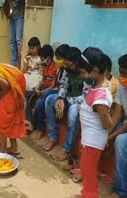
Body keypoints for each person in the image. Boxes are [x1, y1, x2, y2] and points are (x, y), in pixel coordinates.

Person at [70, 48, 114, 198]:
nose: (82, 76)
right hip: (90, 139)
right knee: (87, 170)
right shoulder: (96, 83)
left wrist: (105, 136)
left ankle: (89, 194)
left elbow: (107, 123)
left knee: (87, 174)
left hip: (93, 142)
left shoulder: (101, 99)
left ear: (94, 70)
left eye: (83, 72)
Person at [44, 47, 89, 161]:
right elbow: (63, 86)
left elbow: (85, 97)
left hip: (78, 102)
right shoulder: (68, 70)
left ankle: (67, 149)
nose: (66, 67)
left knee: (73, 112)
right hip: (67, 98)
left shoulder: (85, 73)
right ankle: (53, 137)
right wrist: (60, 98)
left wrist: (65, 101)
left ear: (76, 62)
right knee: (50, 100)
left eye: (68, 64)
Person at [107, 54, 127, 198]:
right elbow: (118, 112)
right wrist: (106, 133)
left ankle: (120, 191)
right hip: (124, 121)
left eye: (125, 73)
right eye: (120, 72)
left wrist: (111, 137)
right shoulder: (122, 86)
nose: (121, 76)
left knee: (120, 142)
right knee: (101, 130)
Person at [31, 45, 58, 139]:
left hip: (51, 89)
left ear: (48, 58)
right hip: (44, 87)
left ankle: (41, 129)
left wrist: (43, 91)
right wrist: (38, 87)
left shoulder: (55, 67)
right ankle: (32, 124)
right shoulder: (44, 65)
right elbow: (43, 79)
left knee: (39, 104)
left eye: (42, 59)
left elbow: (53, 85)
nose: (41, 61)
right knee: (30, 97)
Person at [22, 37, 42, 124]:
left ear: (38, 47)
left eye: (33, 48)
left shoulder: (41, 58)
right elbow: (24, 70)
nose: (31, 50)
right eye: (30, 48)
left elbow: (42, 72)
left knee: (29, 97)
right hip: (28, 76)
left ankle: (29, 121)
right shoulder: (27, 58)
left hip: (37, 77)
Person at [9, 0, 26, 66]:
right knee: (12, 41)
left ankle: (20, 63)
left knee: (18, 41)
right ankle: (13, 65)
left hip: (19, 15)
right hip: (12, 16)